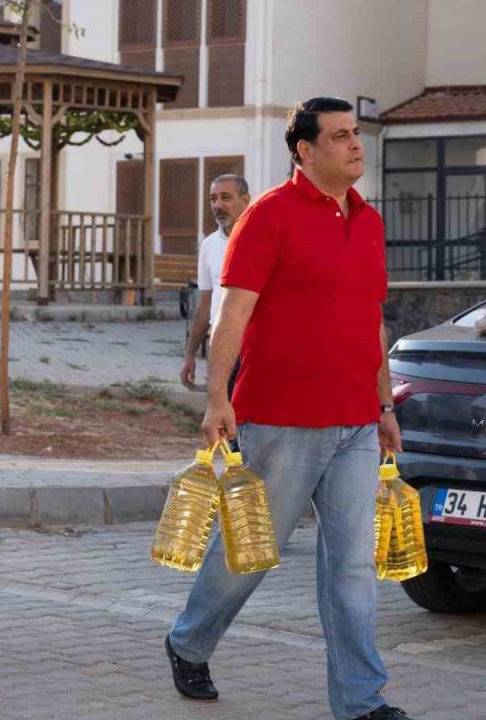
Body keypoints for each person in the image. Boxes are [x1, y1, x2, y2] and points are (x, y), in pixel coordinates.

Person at [164, 98, 412, 720]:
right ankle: (190, 639)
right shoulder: (268, 216)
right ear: (305, 149)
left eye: (357, 134)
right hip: (281, 419)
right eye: (340, 136)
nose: (357, 145)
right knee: (251, 552)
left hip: (357, 421)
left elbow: (370, 322)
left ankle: (361, 700)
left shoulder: (370, 221)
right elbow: (233, 314)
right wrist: (218, 396)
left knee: (352, 566)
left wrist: (384, 404)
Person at [180, 174, 250, 393]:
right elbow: (205, 303)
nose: (218, 205)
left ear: (246, 199)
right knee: (221, 416)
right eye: (213, 199)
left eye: (226, 197)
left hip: (256, 346)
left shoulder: (263, 237)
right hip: (221, 346)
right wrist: (190, 355)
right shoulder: (209, 245)